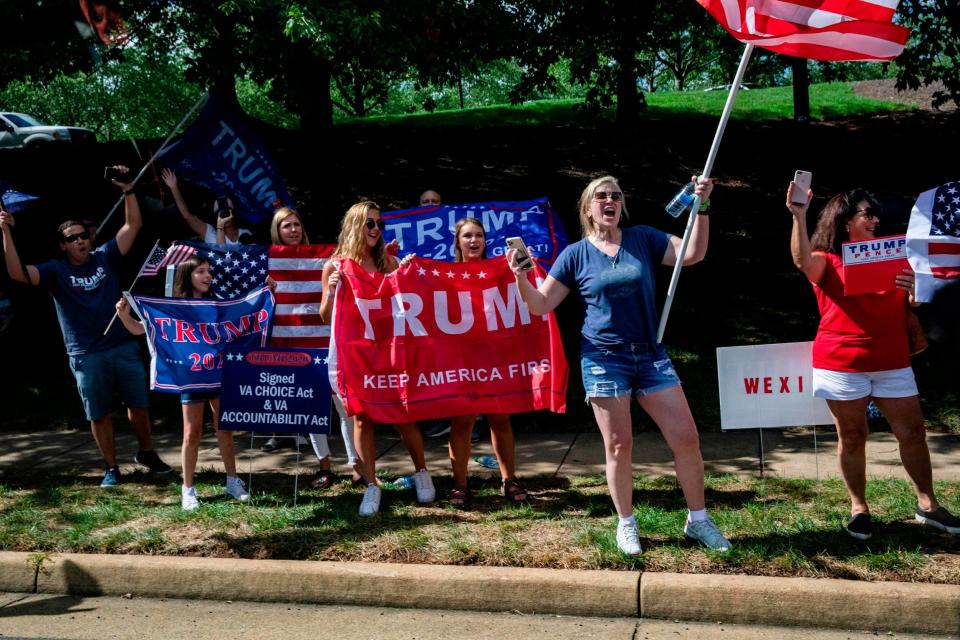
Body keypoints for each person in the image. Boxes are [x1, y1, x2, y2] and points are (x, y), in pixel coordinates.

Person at [508, 174, 731, 556]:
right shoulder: (575, 255)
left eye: (615, 195)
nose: (609, 201)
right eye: (601, 197)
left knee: (687, 438)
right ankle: (626, 524)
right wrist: (520, 277)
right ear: (588, 209)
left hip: (649, 354)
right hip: (602, 359)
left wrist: (703, 205)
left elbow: (692, 254)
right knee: (618, 445)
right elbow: (540, 305)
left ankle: (699, 520)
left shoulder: (644, 238)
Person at [787, 183, 959, 538]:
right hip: (841, 363)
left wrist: (915, 293)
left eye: (875, 213)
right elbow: (802, 260)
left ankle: (928, 505)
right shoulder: (827, 260)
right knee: (851, 435)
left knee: (912, 432)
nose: (876, 219)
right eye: (868, 213)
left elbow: (910, 304)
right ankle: (859, 508)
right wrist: (798, 215)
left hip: (892, 361)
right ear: (845, 220)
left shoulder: (895, 255)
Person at [0, 167, 172, 487]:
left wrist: (128, 190)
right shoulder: (54, 271)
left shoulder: (105, 256)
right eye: (72, 238)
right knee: (99, 413)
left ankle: (147, 452)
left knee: (139, 404)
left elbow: (133, 224)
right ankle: (111, 467)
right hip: (87, 353)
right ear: (62, 245)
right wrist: (6, 232)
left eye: (83, 235)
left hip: (122, 344)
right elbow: (17, 274)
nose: (80, 240)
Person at [319, 201, 435, 516]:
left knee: (403, 413)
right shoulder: (336, 265)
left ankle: (422, 472)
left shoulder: (388, 262)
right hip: (354, 354)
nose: (376, 230)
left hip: (390, 352)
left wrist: (409, 273)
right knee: (360, 417)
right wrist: (331, 291)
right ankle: (372, 485)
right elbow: (325, 316)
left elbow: (407, 302)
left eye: (380, 224)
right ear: (355, 226)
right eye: (370, 224)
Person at [116, 256, 250, 510]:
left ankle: (232, 480)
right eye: (201, 271)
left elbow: (245, 314)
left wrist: (266, 292)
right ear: (188, 275)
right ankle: (187, 488)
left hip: (219, 372)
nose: (208, 276)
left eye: (209, 271)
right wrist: (123, 315)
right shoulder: (173, 306)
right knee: (192, 432)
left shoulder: (218, 303)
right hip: (191, 377)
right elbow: (138, 329)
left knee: (225, 429)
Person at [265, 206, 362, 488]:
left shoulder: (325, 258)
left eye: (296, 224)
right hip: (292, 344)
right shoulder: (267, 261)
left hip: (328, 341)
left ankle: (357, 466)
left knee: (344, 407)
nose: (293, 230)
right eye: (286, 226)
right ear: (277, 231)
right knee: (310, 409)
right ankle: (324, 466)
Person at [446, 217, 527, 508]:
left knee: (500, 418)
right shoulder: (446, 273)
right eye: (467, 236)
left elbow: (526, 287)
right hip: (462, 358)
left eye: (479, 235)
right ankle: (460, 485)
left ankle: (509, 479)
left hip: (494, 356)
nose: (473, 240)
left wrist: (523, 264)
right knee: (462, 421)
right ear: (458, 242)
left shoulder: (498, 270)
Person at [161, 169, 252, 245]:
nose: (225, 216)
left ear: (234, 213)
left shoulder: (245, 234)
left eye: (227, 211)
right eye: (220, 213)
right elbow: (187, 216)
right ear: (215, 217)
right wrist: (174, 187)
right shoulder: (209, 232)